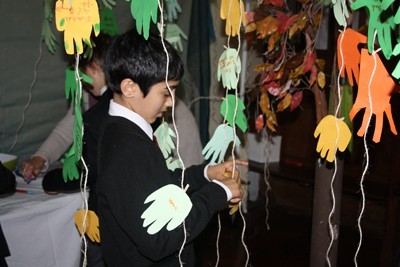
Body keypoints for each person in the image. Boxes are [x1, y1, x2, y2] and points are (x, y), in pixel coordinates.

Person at [96, 28, 246, 266]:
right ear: (129, 88)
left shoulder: (126, 133)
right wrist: (217, 194)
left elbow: (158, 188)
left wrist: (205, 174)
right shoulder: (126, 149)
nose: (172, 101)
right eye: (166, 92)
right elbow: (159, 240)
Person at [20, 33, 114, 193]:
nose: (80, 80)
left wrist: (53, 180)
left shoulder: (114, 103)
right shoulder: (88, 94)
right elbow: (67, 130)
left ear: (92, 68)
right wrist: (41, 158)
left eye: (81, 73)